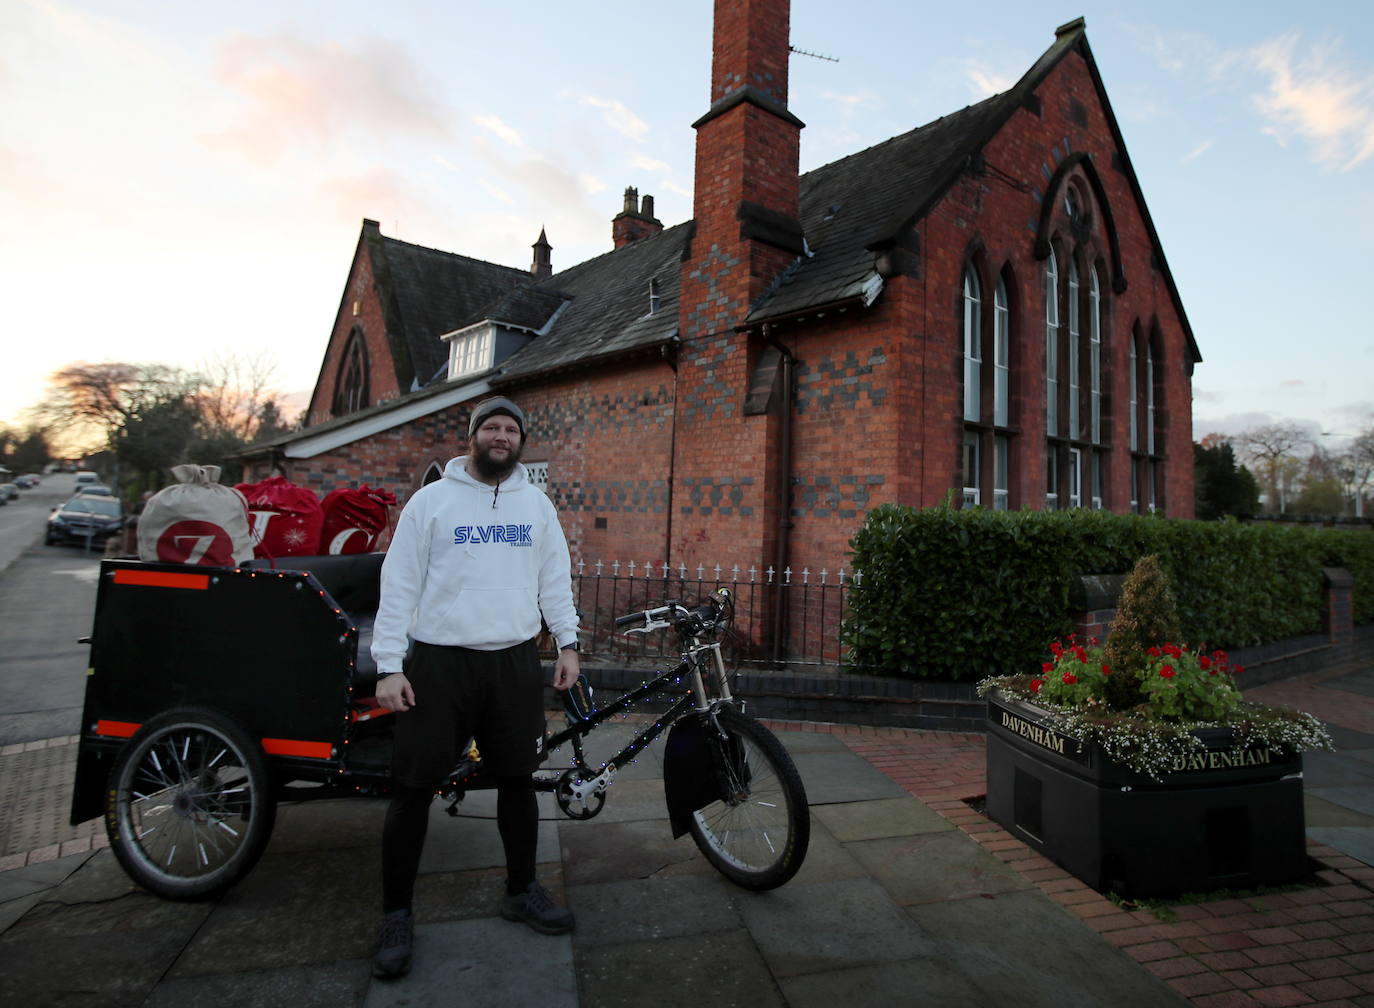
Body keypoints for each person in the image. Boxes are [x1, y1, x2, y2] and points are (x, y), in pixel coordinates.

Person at [369, 396, 581, 980]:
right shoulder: (431, 502)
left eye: (511, 429)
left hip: (512, 663)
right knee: (413, 789)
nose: (501, 436)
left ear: (520, 442)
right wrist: (390, 664)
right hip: (440, 664)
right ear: (472, 436)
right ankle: (395, 915)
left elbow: (554, 579)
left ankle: (521, 889)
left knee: (517, 780)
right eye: (491, 426)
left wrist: (568, 642)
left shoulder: (536, 506)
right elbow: (400, 582)